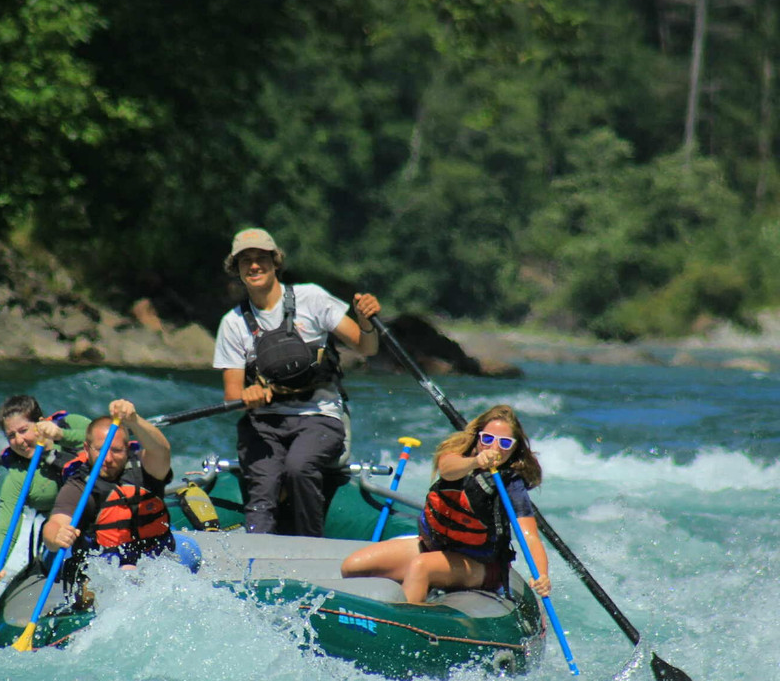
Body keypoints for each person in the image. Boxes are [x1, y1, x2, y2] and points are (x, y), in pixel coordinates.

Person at [212, 227, 381, 537]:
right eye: (245, 260)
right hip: (263, 424)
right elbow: (231, 395)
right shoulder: (232, 323)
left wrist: (366, 321)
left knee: (299, 467)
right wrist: (245, 396)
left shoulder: (312, 298)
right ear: (235, 269)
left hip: (319, 417)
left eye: (261, 258)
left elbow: (366, 347)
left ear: (275, 262)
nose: (254, 266)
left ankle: (309, 545)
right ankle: (256, 554)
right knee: (263, 483)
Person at [340, 404, 552, 604]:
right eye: (488, 439)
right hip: (434, 546)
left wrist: (541, 574)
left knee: (422, 567)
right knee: (353, 566)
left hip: (480, 565)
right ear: (477, 438)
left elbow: (529, 536)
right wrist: (476, 462)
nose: (495, 447)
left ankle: (406, 628)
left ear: (514, 449)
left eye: (505, 443)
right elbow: (447, 469)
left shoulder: (510, 484)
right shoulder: (458, 455)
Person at [42, 399, 179, 578]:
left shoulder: (145, 468)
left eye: (116, 450)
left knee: (191, 551)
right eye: (100, 449)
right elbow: (55, 524)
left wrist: (134, 420)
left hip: (155, 554)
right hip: (107, 564)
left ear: (127, 449)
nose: (107, 459)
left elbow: (161, 450)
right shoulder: (79, 486)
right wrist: (56, 536)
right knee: (127, 574)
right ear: (86, 448)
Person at [0, 396, 92, 589]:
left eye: (24, 430)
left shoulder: (71, 424)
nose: (19, 440)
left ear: (41, 424)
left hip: (103, 518)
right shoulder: (18, 476)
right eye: (11, 436)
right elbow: (7, 525)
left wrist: (61, 435)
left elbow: (107, 441)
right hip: (61, 536)